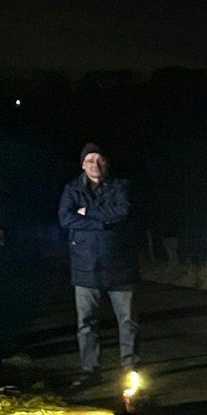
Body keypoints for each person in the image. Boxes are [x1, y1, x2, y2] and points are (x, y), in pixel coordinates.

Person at [58, 143, 138, 388]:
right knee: (86, 324)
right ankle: (90, 370)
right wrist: (102, 218)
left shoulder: (121, 186)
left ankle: (130, 369)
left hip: (120, 266)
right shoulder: (71, 190)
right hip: (84, 267)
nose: (95, 164)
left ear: (107, 164)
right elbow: (65, 218)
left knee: (127, 322)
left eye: (100, 159)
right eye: (90, 160)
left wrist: (85, 213)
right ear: (82, 164)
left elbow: (122, 212)